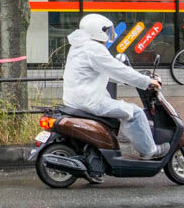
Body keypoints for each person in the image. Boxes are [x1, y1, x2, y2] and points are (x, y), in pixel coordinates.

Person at [62, 14, 169, 160]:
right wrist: (146, 81)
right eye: (106, 31)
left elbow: (102, 71)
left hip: (75, 99)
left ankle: (123, 141)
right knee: (135, 113)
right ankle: (149, 151)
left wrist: (128, 80)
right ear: (97, 30)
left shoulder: (79, 46)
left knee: (122, 111)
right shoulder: (94, 48)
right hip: (90, 101)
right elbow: (118, 69)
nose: (108, 34)